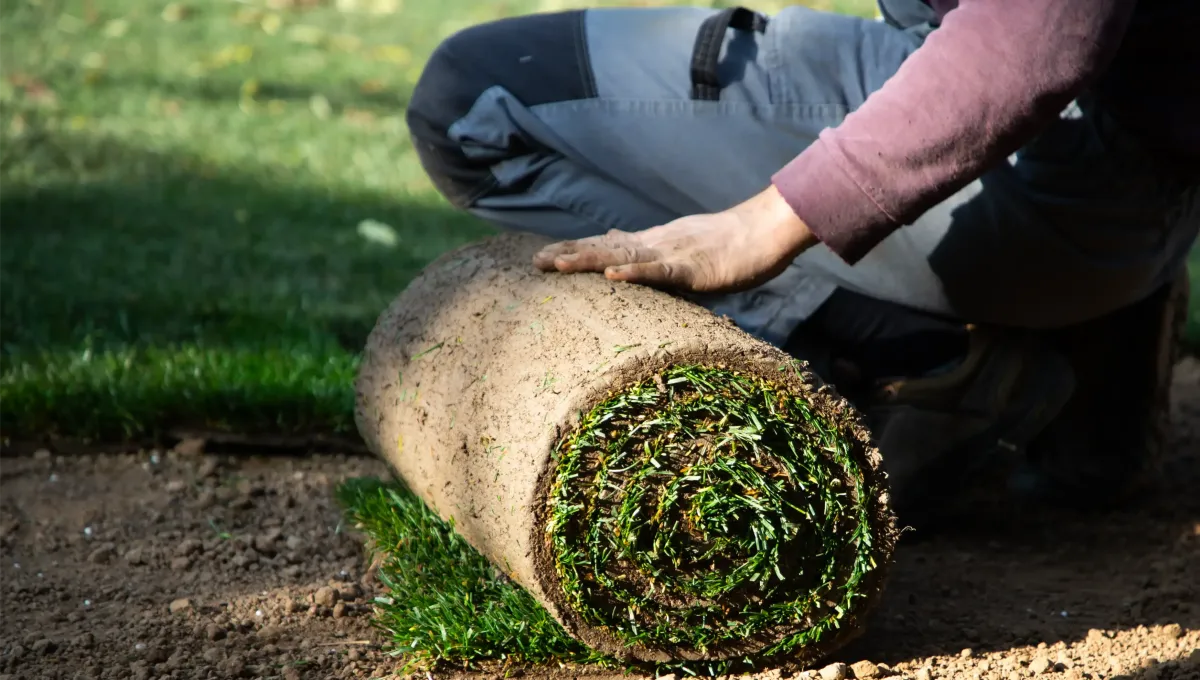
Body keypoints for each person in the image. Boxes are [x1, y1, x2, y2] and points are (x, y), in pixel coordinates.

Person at [404, 0, 1200, 522]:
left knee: (479, 104)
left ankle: (932, 360)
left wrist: (763, 224)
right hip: (1132, 195)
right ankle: (1097, 372)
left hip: (1059, 175)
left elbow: (1039, 36)